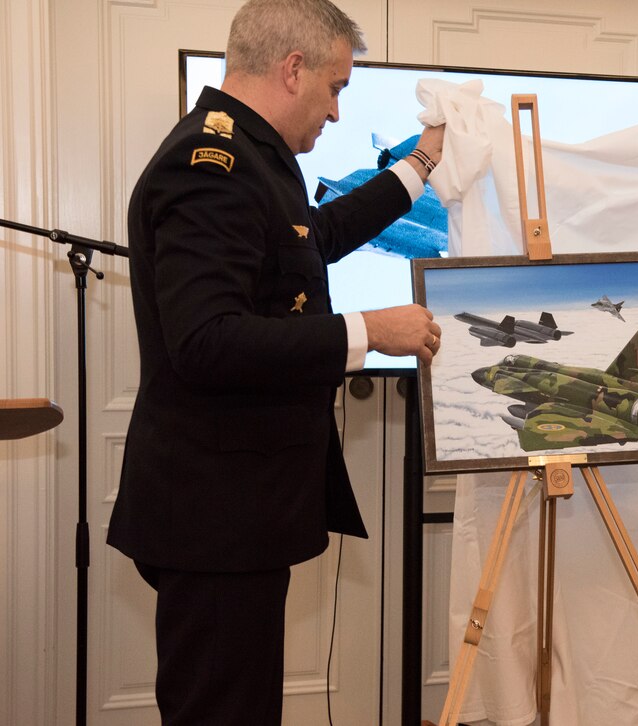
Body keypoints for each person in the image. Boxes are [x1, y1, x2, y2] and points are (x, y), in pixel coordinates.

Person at [107, 0, 443, 722]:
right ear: (293, 69)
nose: (337, 111)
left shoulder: (251, 155)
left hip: (236, 512)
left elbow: (312, 237)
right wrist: (368, 331)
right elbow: (207, 340)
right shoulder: (212, 166)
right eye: (335, 87)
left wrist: (420, 164)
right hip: (216, 516)